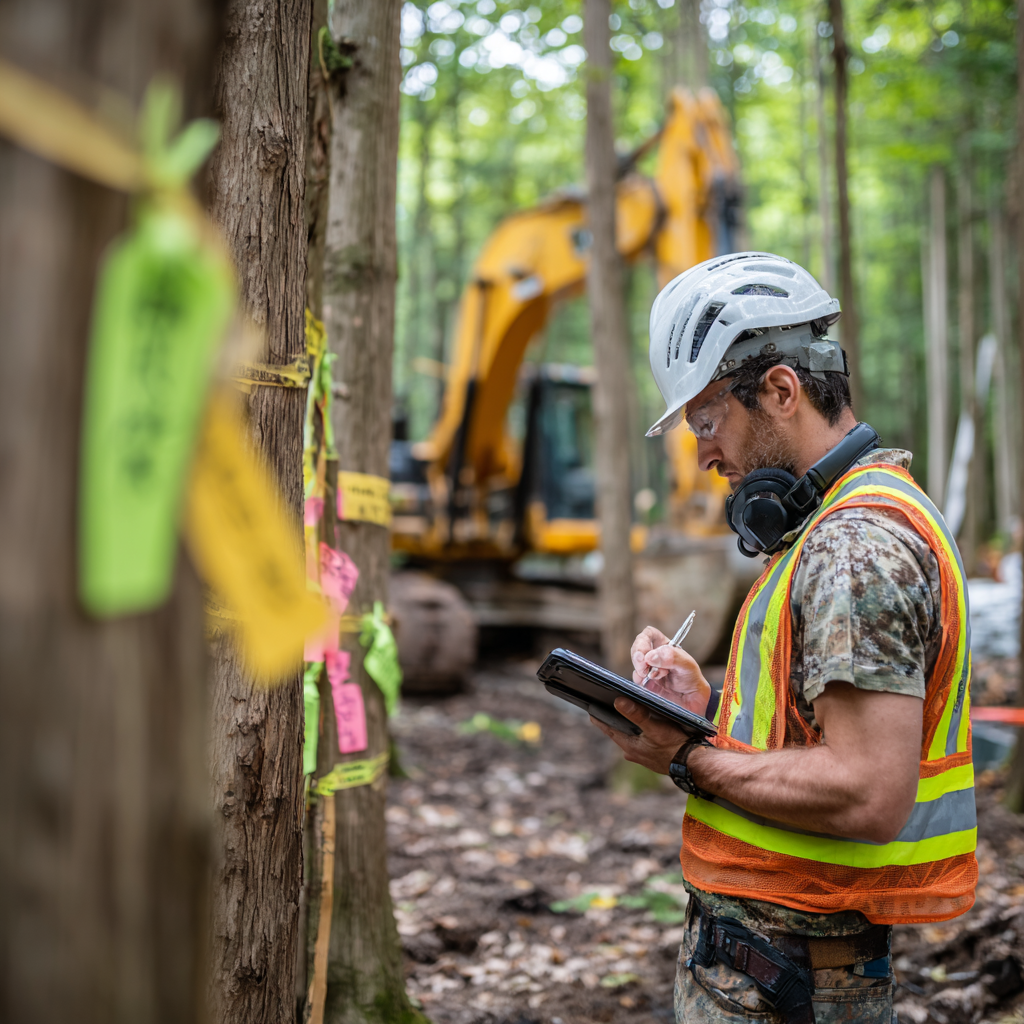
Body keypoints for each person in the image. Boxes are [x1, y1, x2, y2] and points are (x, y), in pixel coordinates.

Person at [589, 252, 977, 1024]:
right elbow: (821, 723)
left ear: (779, 390)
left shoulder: (853, 545)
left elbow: (869, 791)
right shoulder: (836, 528)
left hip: (787, 978)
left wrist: (687, 757)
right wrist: (709, 707)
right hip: (782, 967)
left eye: (706, 419)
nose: (703, 451)